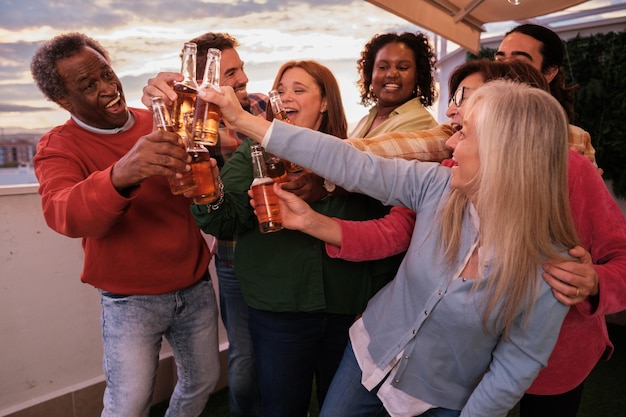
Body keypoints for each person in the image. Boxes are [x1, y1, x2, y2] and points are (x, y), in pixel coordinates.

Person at [201, 78, 580, 416]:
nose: (449, 142)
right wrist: (244, 120)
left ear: (505, 153)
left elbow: (516, 365)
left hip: (442, 400)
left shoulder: (552, 265)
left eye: (463, 133)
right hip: (367, 358)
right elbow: (352, 163)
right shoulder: (438, 186)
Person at [320, 58, 626, 417]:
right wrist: (314, 215)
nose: (454, 109)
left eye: (468, 98)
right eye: (457, 98)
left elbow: (620, 256)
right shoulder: (453, 174)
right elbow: (394, 212)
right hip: (467, 364)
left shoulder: (573, 171)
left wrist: (593, 282)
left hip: (555, 358)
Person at [191, 60, 403, 417]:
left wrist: (371, 303)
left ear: (325, 102)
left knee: (345, 407)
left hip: (346, 310)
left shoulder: (354, 156)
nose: (286, 97)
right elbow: (225, 222)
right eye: (281, 90)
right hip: (278, 310)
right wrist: (207, 191)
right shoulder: (254, 151)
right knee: (281, 407)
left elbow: (384, 231)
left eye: (299, 90)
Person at [30, 32, 220, 417]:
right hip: (129, 302)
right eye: (88, 85)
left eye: (106, 74)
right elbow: (63, 212)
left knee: (202, 383)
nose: (107, 88)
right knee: (127, 405)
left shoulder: (162, 119)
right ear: (64, 101)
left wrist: (208, 178)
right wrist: (122, 174)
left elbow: (199, 182)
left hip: (195, 286)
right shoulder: (59, 147)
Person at [142, 32, 265, 417]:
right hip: (232, 257)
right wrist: (157, 106)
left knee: (283, 352)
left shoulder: (264, 106)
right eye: (231, 72)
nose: (243, 78)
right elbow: (172, 164)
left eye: (241, 67)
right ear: (205, 83)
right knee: (243, 361)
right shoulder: (189, 121)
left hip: (284, 249)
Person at [495, 23, 599, 172]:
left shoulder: (573, 139)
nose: (504, 69)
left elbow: (588, 191)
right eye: (499, 60)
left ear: (549, 73)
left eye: (519, 62)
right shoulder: (466, 124)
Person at [350, 31, 437, 138]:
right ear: (370, 73)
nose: (391, 74)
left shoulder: (421, 122)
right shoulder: (366, 119)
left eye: (403, 68)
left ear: (418, 75)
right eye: (382, 67)